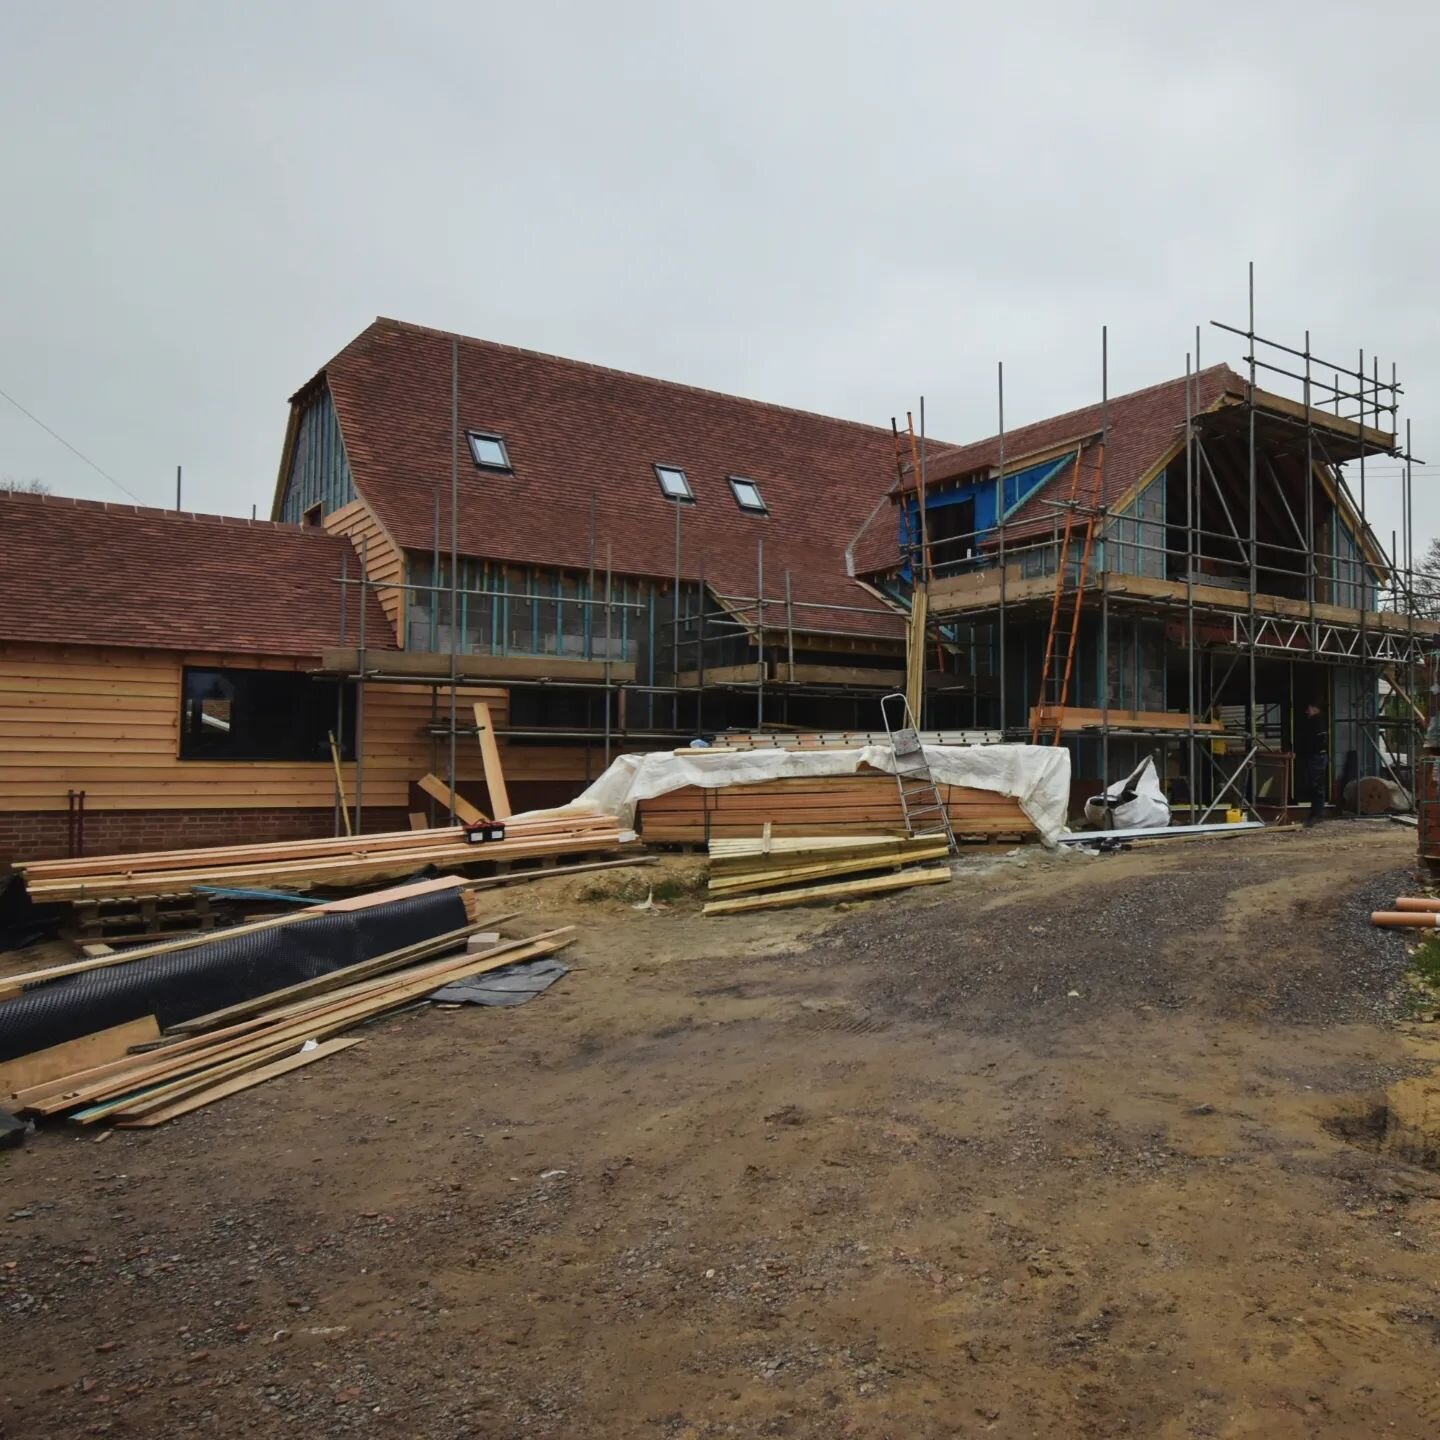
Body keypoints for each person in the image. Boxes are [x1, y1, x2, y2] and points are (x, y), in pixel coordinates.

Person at [1297, 702, 1329, 826]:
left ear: (1315, 709)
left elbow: (1319, 741)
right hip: (1315, 757)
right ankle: (1315, 813)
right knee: (1313, 785)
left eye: (1308, 709)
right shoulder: (1316, 722)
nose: (1306, 712)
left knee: (1316, 786)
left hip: (1317, 758)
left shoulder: (1317, 723)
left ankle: (1317, 814)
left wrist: (1309, 751)